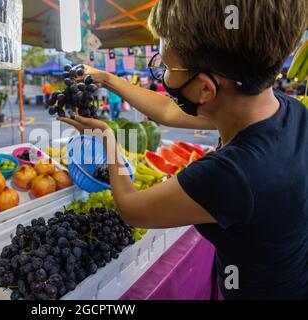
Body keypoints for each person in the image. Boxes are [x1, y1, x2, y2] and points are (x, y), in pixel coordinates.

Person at [61, 0, 308, 300]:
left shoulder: (232, 174)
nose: (163, 75)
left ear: (205, 89)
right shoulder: (285, 109)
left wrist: (107, 138)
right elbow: (168, 110)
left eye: (166, 67)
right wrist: (108, 79)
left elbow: (132, 208)